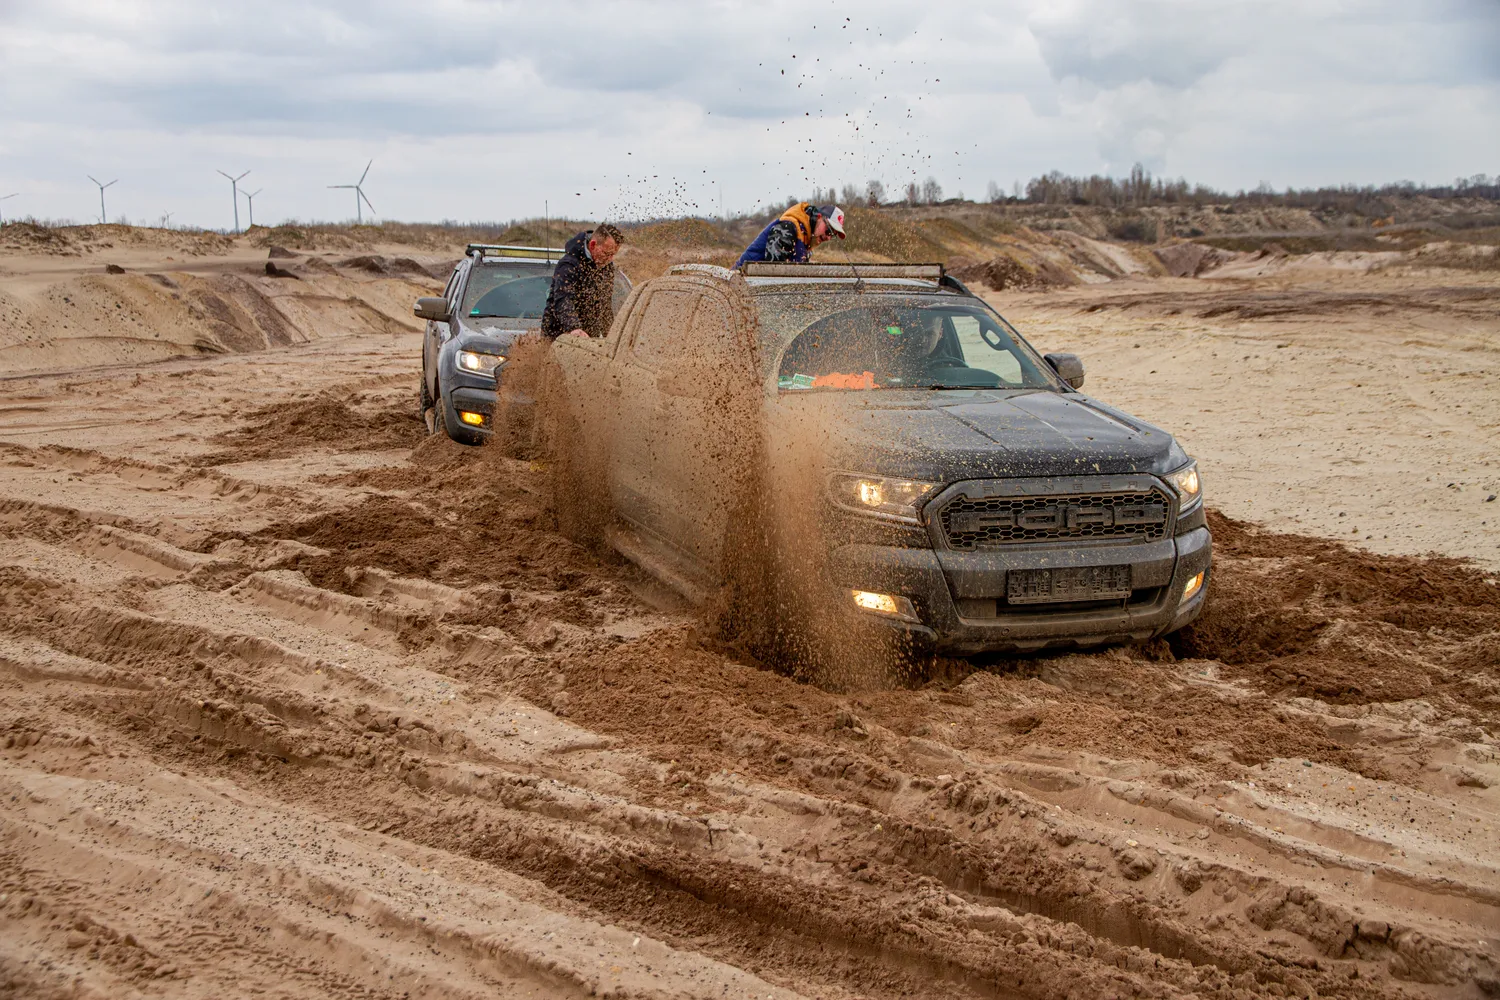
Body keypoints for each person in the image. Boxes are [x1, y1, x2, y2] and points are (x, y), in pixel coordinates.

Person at [541, 223, 624, 339]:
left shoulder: (606, 266)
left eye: (613, 255)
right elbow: (563, 298)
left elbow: (605, 304)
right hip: (559, 335)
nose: (610, 259)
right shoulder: (569, 264)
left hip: (589, 337)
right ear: (593, 245)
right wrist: (574, 327)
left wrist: (611, 337)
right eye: (606, 254)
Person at [734, 202, 844, 268]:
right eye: (828, 230)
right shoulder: (787, 229)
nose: (828, 237)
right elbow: (772, 272)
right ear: (819, 217)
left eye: (833, 235)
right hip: (739, 286)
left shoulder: (805, 239)